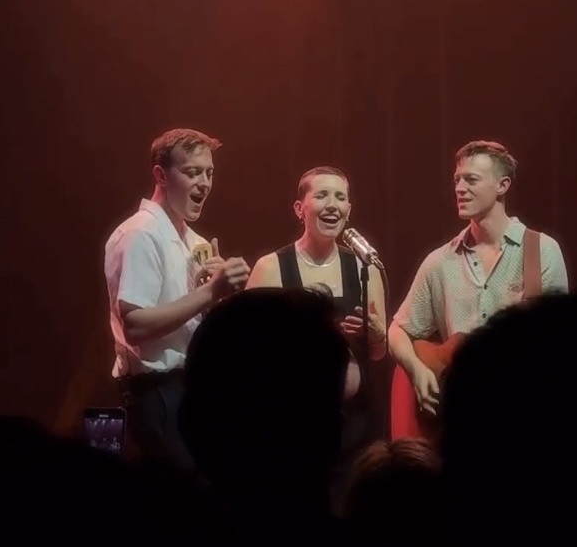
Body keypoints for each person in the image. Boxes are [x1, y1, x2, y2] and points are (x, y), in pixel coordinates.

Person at [104, 128, 249, 467]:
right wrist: (210, 291)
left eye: (209, 173)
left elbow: (196, 322)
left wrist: (221, 297)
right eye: (192, 172)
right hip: (157, 392)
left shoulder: (194, 241)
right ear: (161, 175)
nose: (204, 183)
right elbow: (135, 326)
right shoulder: (141, 233)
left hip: (192, 387)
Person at [389, 140, 567, 414]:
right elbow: (398, 330)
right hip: (457, 418)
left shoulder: (542, 251)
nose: (459, 188)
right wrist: (417, 369)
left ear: (502, 186)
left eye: (471, 180)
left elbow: (559, 341)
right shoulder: (440, 262)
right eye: (456, 180)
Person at [247, 167, 386, 487]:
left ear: (349, 209)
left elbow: (378, 353)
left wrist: (378, 336)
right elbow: (251, 354)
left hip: (356, 428)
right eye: (322, 195)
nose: (332, 205)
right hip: (291, 424)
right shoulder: (271, 267)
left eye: (340, 197)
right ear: (300, 209)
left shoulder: (365, 268)